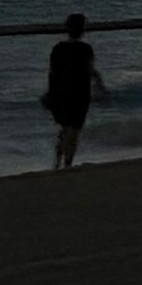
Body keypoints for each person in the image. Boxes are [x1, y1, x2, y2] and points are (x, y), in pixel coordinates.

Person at [41, 12, 98, 170]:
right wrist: (100, 85)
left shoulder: (58, 49)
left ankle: (57, 162)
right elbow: (91, 70)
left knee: (64, 128)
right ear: (82, 30)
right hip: (80, 92)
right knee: (74, 130)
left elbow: (52, 72)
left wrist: (50, 92)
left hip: (61, 92)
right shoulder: (86, 49)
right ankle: (68, 164)